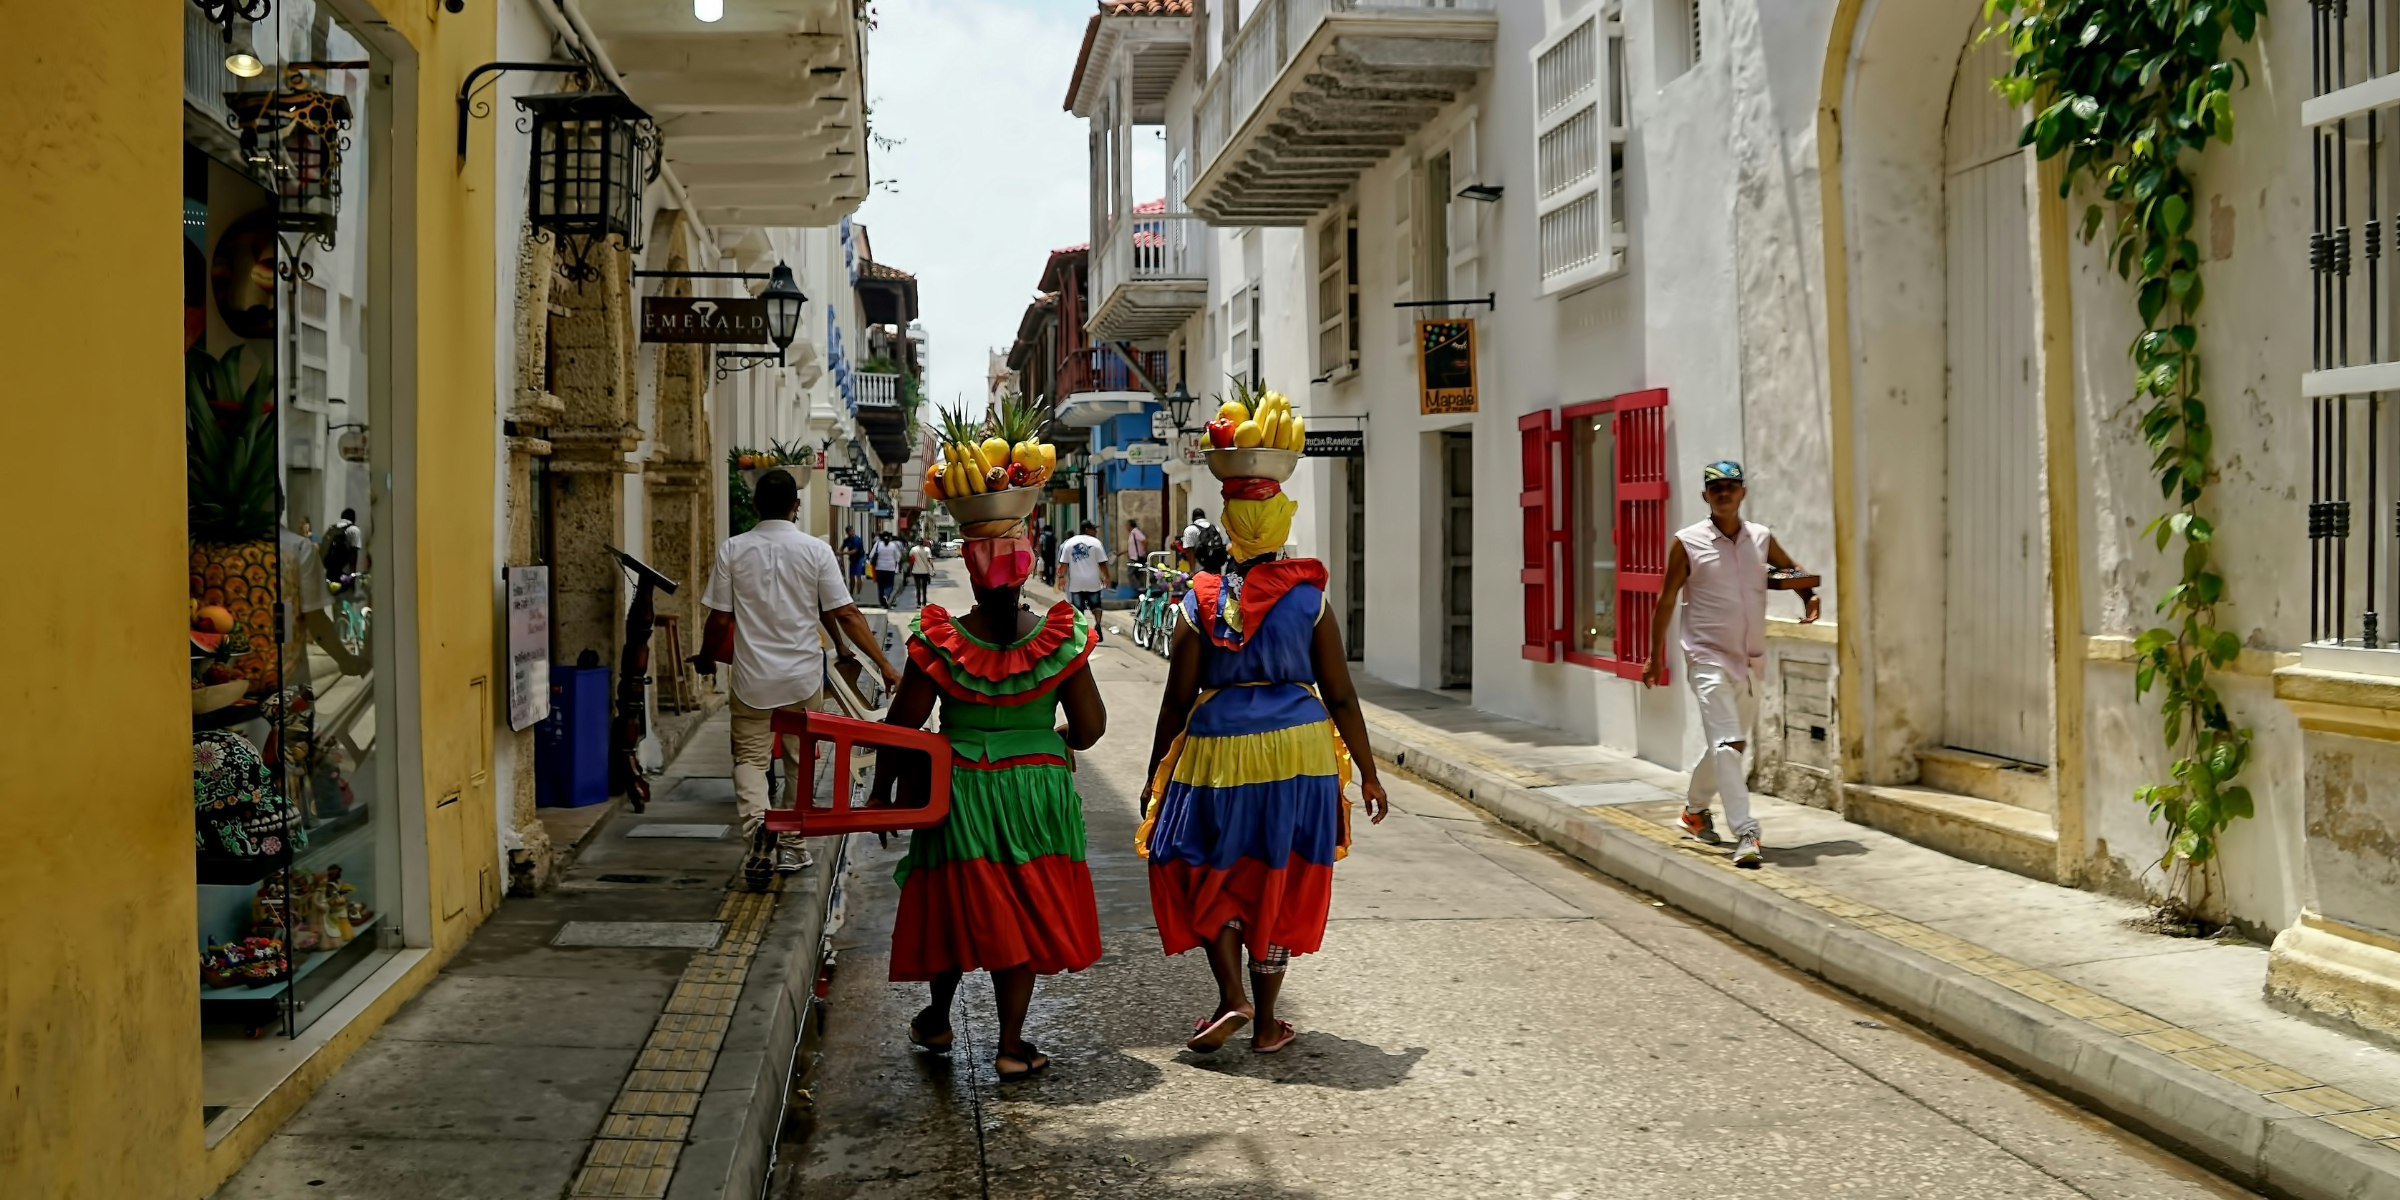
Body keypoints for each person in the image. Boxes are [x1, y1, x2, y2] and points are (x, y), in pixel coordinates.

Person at [1139, 466, 1389, 1055]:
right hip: (1301, 750)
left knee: (1202, 865)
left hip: (1215, 750)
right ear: (1280, 529)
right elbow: (1342, 693)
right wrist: (1370, 772)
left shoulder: (1196, 601)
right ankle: (1267, 1023)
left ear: (1227, 531)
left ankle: (1232, 995)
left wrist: (1155, 772)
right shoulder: (1310, 599)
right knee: (1280, 872)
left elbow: (1177, 698)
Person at [871, 511, 1106, 1081]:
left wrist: (881, 793)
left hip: (960, 787)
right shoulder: (1060, 637)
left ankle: (937, 1018)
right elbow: (1091, 727)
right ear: (1024, 576)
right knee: (1022, 902)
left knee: (956, 896)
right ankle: (1010, 1044)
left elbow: (904, 726)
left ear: (973, 579)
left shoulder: (941, 640)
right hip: (1036, 789)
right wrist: (1054, 739)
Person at [694, 468, 901, 887]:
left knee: (749, 760)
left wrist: (706, 657)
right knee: (799, 761)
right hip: (802, 678)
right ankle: (791, 846)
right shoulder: (816, 551)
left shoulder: (733, 549)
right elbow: (845, 613)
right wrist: (884, 663)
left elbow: (719, 620)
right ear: (797, 505)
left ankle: (758, 830)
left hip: (751, 678)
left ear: (754, 505)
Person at [1642, 460, 1820, 869]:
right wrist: (1654, 656)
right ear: (1705, 495)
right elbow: (1666, 599)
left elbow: (1792, 570)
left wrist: (1808, 597)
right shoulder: (1687, 542)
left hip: (1751, 658)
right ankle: (1747, 832)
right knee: (1728, 744)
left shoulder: (1760, 538)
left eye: (1731, 486)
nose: (1724, 493)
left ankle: (1694, 811)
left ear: (1742, 493)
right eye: (1715, 487)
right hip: (1706, 655)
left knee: (1729, 746)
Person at [1057, 522, 1112, 642]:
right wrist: (1106, 577)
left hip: (1076, 583)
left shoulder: (1069, 543)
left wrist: (1061, 577)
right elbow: (1102, 563)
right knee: (1096, 606)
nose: (1095, 532)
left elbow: (1063, 564)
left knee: (1078, 609)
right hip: (1093, 582)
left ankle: (1081, 631)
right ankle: (1097, 624)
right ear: (1087, 529)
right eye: (1093, 529)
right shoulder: (1096, 543)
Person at [1179, 507, 1228, 574]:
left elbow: (1190, 551)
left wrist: (1192, 571)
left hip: (1200, 568)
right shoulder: (1215, 528)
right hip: (1216, 568)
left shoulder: (1190, 529)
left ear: (1193, 518)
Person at [872, 530, 905, 608]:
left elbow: (871, 555)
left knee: (881, 585)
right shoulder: (893, 546)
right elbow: (898, 557)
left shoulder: (877, 544)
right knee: (889, 584)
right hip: (890, 568)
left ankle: (881, 602)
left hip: (879, 568)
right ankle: (886, 595)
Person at [906, 537, 936, 608]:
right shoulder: (927, 549)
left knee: (918, 588)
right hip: (925, 571)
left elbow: (911, 560)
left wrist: (910, 570)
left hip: (916, 571)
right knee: (924, 588)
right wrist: (933, 569)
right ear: (923, 542)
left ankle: (918, 603)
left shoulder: (913, 549)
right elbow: (929, 560)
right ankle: (924, 603)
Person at [1037, 520, 1060, 587]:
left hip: (1045, 552)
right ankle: (1052, 579)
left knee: (1046, 566)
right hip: (1052, 552)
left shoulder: (1043, 535)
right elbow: (1056, 542)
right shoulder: (1053, 535)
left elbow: (1040, 544)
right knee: (1052, 566)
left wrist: (1040, 553)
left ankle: (1047, 579)